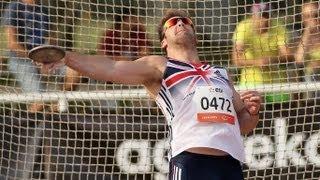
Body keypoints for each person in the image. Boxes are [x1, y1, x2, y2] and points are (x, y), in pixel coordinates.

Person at [41, 9, 261, 179]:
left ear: (196, 35)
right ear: (163, 41)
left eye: (186, 21)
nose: (181, 23)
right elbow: (111, 68)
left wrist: (251, 113)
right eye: (172, 23)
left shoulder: (220, 73)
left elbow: (242, 124)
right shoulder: (161, 66)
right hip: (192, 161)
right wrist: (67, 58)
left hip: (230, 165)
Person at [2, 0, 78, 112]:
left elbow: (51, 40)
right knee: (40, 100)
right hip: (21, 60)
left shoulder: (43, 9)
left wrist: (51, 57)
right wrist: (35, 59)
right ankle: (27, 126)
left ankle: (54, 111)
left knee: (74, 71)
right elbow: (12, 44)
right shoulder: (14, 7)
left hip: (43, 58)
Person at [232, 2, 292, 103]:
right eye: (260, 16)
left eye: (267, 15)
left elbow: (288, 55)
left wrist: (272, 60)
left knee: (281, 115)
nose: (264, 20)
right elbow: (236, 59)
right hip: (251, 83)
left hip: (276, 82)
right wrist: (257, 62)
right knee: (250, 112)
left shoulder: (278, 27)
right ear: (253, 16)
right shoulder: (243, 27)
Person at [295, 1, 320, 98]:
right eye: (307, 16)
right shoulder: (299, 36)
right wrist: (308, 31)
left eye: (315, 15)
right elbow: (299, 59)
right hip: (311, 82)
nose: (312, 19)